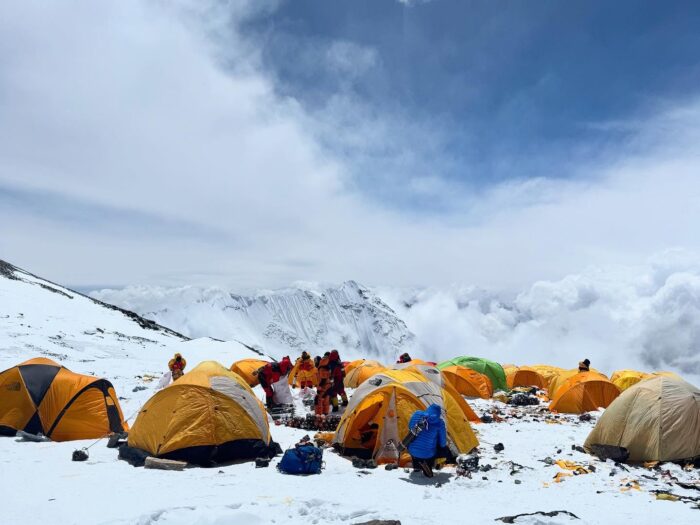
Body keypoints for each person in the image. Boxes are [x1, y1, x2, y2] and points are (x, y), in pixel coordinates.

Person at [407, 404, 447, 478]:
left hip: (412, 450)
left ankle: (417, 466)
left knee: (416, 444)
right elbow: (443, 443)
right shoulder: (440, 423)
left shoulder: (417, 414)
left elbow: (410, 427)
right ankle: (428, 466)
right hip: (428, 454)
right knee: (442, 449)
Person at [314, 354, 332, 425]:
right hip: (328, 386)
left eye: (315, 361)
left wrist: (320, 387)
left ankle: (319, 417)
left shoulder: (321, 368)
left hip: (324, 387)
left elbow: (323, 378)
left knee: (318, 400)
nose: (314, 363)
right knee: (325, 400)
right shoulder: (326, 367)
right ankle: (325, 415)